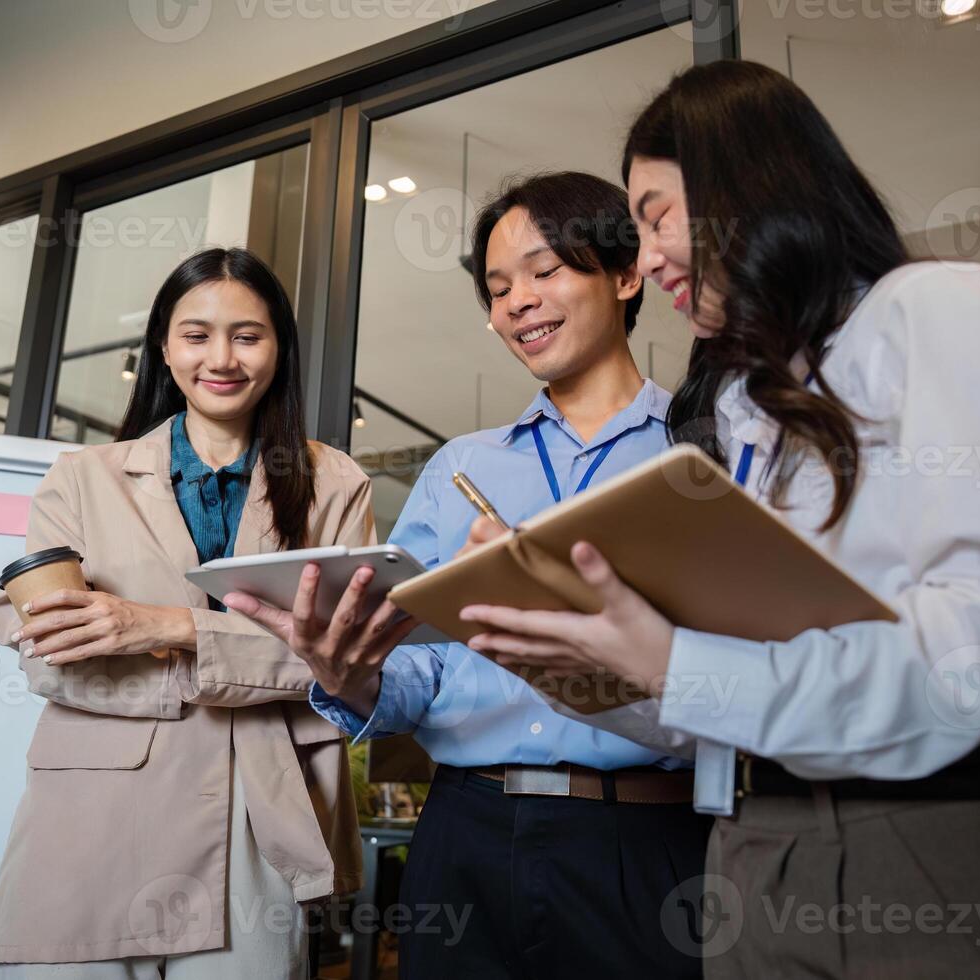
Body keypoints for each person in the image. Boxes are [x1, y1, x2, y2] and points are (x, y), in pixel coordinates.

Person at [455, 62, 980, 978]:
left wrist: (675, 663)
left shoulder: (935, 313)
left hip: (918, 850)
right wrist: (598, 659)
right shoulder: (750, 416)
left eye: (656, 217)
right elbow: (728, 704)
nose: (646, 260)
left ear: (747, 186)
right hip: (747, 855)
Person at [226, 172, 713, 979]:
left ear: (627, 276)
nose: (518, 301)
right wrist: (356, 681)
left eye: (546, 270)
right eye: (497, 288)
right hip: (465, 832)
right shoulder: (462, 467)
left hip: (644, 841)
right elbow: (422, 661)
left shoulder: (701, 455)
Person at [0, 248, 395, 979]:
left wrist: (164, 629)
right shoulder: (82, 479)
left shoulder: (333, 482)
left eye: (248, 334)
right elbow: (48, 661)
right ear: (164, 348)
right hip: (93, 812)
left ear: (278, 349)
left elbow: (344, 658)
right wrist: (237, 672)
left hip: (259, 811)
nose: (222, 357)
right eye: (197, 334)